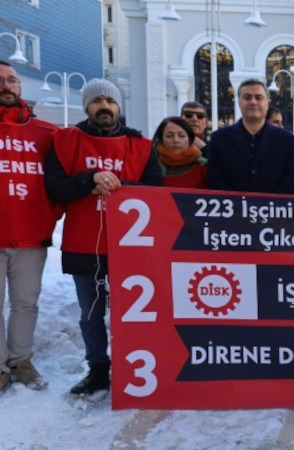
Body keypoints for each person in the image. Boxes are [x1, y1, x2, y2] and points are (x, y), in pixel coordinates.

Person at [44, 79, 163, 397]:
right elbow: (54, 188)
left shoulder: (141, 145)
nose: (104, 106)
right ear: (86, 107)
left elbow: (156, 190)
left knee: (136, 312)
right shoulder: (65, 141)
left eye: (110, 101)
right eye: (97, 101)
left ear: (118, 106)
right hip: (85, 243)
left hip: (133, 244)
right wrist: (89, 180)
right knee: (91, 313)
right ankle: (98, 369)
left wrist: (119, 186)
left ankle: (135, 367)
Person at [0, 61, 61, 393]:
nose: (6, 85)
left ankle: (20, 361)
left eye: (12, 80)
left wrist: (50, 214)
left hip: (30, 237)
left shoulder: (47, 133)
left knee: (26, 303)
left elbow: (70, 170)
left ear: (20, 87)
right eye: (0, 80)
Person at [206, 79, 294, 193]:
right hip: (231, 203)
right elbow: (214, 177)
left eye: (258, 97)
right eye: (247, 97)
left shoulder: (286, 140)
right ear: (239, 102)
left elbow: (292, 177)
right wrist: (237, 200)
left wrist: (269, 201)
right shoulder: (219, 139)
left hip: (274, 203)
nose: (253, 102)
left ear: (267, 102)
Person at [153, 116, 207, 189]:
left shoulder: (204, 166)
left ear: (190, 140)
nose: (176, 140)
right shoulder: (151, 165)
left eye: (181, 136)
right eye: (169, 136)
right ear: (161, 139)